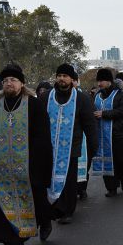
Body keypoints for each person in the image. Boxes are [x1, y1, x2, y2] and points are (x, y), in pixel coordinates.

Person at [0, 64, 53, 245]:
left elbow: (42, 138)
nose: (9, 83)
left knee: (37, 201)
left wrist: (40, 165)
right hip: (3, 171)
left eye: (13, 80)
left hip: (30, 166)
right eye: (5, 81)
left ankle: (45, 220)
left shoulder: (34, 105)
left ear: (22, 83)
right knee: (3, 206)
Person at [41, 63, 98, 224]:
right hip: (49, 148)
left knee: (69, 181)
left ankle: (67, 211)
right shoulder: (46, 97)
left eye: (65, 76)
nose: (61, 79)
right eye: (59, 76)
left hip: (71, 148)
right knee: (50, 178)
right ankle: (53, 207)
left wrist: (93, 147)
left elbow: (89, 124)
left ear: (72, 79)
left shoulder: (81, 98)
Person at [92, 68, 123, 197]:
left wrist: (105, 114)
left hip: (118, 134)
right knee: (106, 162)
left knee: (121, 161)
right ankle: (111, 188)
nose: (99, 84)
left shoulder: (121, 95)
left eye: (102, 81)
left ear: (109, 81)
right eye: (98, 81)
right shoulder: (97, 96)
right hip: (102, 135)